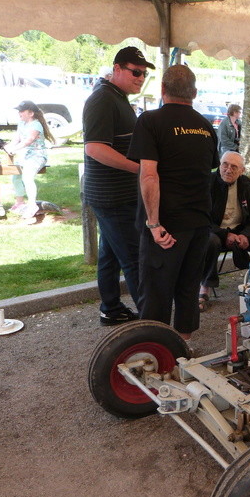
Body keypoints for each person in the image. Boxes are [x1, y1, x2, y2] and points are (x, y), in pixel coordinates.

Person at [128, 64, 219, 340]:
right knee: (188, 288)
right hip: (199, 222)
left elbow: (149, 175)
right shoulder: (206, 126)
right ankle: (182, 349)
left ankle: (156, 354)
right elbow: (208, 172)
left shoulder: (150, 121)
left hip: (167, 224)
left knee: (156, 291)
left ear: (163, 89)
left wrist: (154, 223)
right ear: (193, 92)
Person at [82, 46, 154, 326]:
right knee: (134, 259)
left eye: (143, 74)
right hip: (112, 196)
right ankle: (151, 323)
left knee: (110, 255)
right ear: (117, 69)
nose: (140, 77)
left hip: (117, 194)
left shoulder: (117, 98)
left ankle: (110, 308)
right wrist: (139, 169)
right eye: (135, 72)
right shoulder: (102, 99)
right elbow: (95, 149)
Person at [198, 151, 250, 310]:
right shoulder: (209, 183)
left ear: (242, 171)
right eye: (225, 164)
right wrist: (225, 234)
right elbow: (202, 218)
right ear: (219, 165)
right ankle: (205, 286)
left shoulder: (246, 184)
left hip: (240, 231)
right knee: (210, 241)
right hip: (216, 231)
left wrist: (246, 235)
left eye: (234, 167)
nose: (228, 170)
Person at [4, 100, 55, 222]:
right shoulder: (21, 123)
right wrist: (9, 147)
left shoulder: (36, 125)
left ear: (31, 113)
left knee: (27, 177)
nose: (19, 113)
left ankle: (32, 205)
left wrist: (15, 149)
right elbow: (17, 138)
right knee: (15, 177)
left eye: (22, 111)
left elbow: (28, 140)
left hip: (37, 155)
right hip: (25, 155)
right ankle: (20, 202)